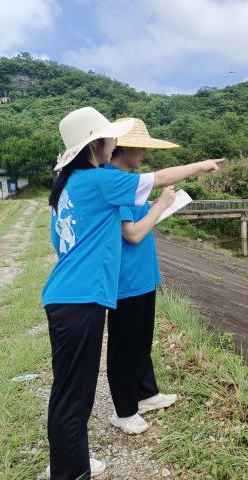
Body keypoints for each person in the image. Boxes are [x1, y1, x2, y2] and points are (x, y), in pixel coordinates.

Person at [42, 107, 223, 479]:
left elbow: (61, 245)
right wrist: (200, 165)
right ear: (96, 144)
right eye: (111, 137)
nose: (115, 142)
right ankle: (70, 471)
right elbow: (160, 179)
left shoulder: (68, 184)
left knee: (70, 391)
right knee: (75, 394)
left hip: (65, 294)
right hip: (81, 298)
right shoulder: (99, 180)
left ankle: (68, 462)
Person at [104, 118, 180, 434]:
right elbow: (132, 234)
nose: (145, 155)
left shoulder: (130, 181)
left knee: (141, 340)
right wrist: (161, 204)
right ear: (124, 148)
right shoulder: (114, 182)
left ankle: (146, 393)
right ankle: (123, 411)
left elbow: (142, 225)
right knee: (124, 346)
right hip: (126, 279)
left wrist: (159, 208)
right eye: (142, 148)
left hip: (142, 274)